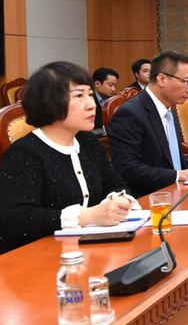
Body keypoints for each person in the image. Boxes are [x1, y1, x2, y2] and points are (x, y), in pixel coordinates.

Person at [0, 62, 138, 254]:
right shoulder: (23, 153)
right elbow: (18, 220)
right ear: (49, 102)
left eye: (90, 95)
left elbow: (116, 184)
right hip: (39, 256)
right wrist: (87, 216)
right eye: (79, 96)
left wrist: (118, 200)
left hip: (90, 249)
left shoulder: (88, 142)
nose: (92, 105)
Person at [108, 51, 188, 199]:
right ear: (162, 79)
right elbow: (127, 168)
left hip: (177, 191)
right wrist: (179, 175)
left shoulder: (170, 111)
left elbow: (172, 159)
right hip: (151, 198)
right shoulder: (130, 113)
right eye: (185, 81)